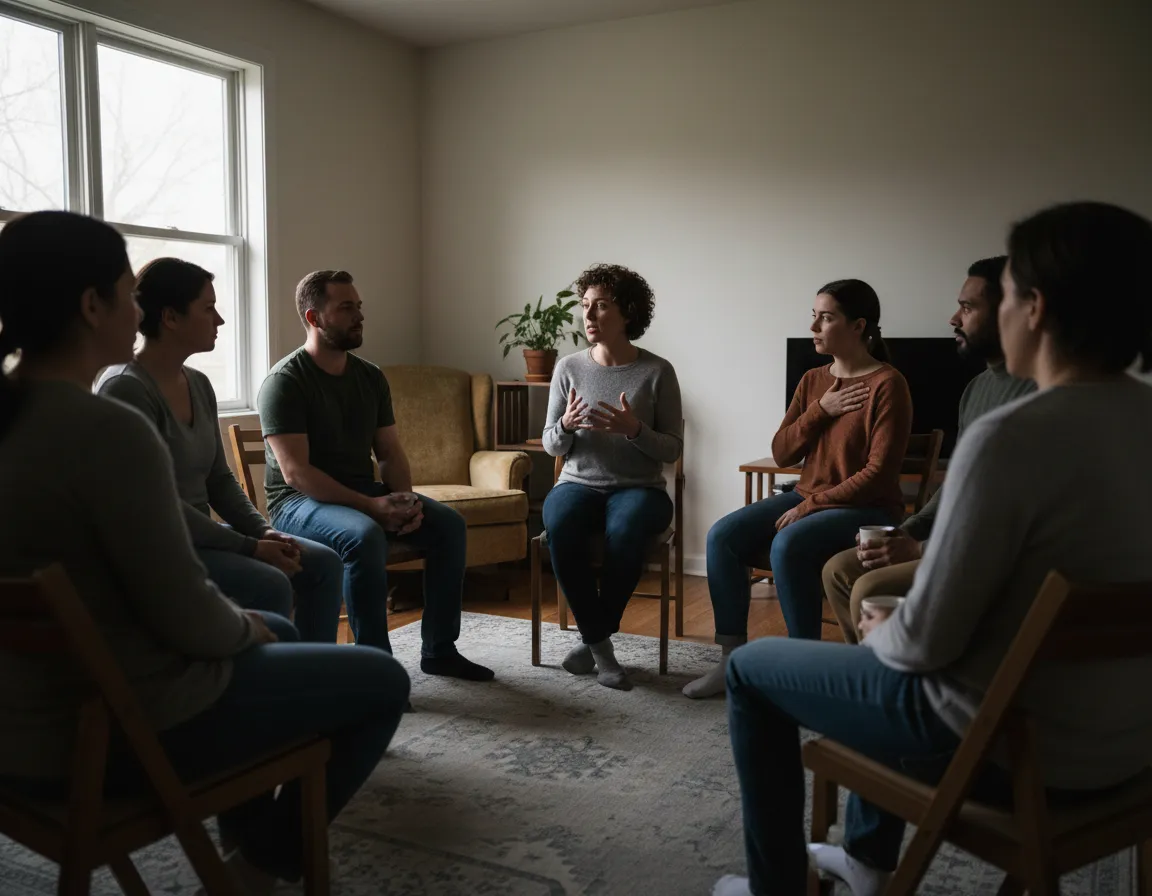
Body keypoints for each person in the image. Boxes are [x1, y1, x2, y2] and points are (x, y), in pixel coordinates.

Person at [713, 200, 1152, 896]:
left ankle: (777, 889)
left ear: (1033, 306)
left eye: (1000, 294)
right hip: (1127, 754)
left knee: (753, 673)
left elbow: (924, 645)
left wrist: (889, 626)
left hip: (1009, 754)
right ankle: (864, 861)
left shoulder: (1011, 436)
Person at [0, 211, 409, 895]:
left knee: (276, 628)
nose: (137, 314)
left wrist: (253, 608)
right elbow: (186, 610)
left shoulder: (19, 418)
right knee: (378, 681)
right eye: (130, 296)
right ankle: (260, 864)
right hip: (101, 739)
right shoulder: (108, 427)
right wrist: (240, 623)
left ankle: (242, 834)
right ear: (90, 305)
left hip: (20, 728)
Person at [257, 269, 493, 682]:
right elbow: (296, 473)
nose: (358, 316)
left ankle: (439, 650)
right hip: (298, 503)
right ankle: (374, 668)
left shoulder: (369, 376)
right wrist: (372, 508)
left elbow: (389, 452)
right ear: (314, 318)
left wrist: (406, 502)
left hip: (361, 492)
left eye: (359, 307)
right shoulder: (285, 381)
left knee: (449, 526)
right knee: (362, 535)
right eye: (346, 308)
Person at [95, 258, 345, 642]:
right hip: (160, 547)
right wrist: (250, 547)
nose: (220, 321)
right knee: (270, 582)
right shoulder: (126, 388)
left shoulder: (198, 383)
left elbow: (218, 479)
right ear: (171, 318)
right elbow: (155, 506)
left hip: (205, 536)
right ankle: (261, 687)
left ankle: (315, 676)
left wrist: (264, 531)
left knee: (323, 562)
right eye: (208, 308)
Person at [683, 280, 912, 698]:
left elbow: (878, 475)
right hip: (809, 495)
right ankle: (729, 659)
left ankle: (805, 675)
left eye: (826, 317)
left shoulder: (887, 384)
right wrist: (820, 411)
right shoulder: (813, 381)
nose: (814, 326)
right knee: (721, 536)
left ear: (858, 325)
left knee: (787, 545)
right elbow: (782, 452)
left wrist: (812, 506)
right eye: (814, 316)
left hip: (867, 508)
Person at [821, 257, 1035, 642]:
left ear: (1014, 311)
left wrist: (921, 547)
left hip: (982, 554)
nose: (954, 318)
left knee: (869, 589)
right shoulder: (977, 389)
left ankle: (880, 683)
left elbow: (1009, 510)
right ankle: (872, 676)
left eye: (968, 308)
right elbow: (957, 484)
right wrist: (906, 531)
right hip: (946, 539)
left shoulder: (1039, 394)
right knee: (838, 569)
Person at [541, 263, 683, 691]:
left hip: (639, 489)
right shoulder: (568, 368)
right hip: (578, 484)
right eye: (585, 305)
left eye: (601, 306)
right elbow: (551, 444)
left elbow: (672, 449)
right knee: (560, 524)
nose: (589, 315)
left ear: (628, 313)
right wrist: (565, 426)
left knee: (626, 530)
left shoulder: (658, 372)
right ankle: (603, 651)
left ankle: (593, 644)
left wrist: (635, 430)